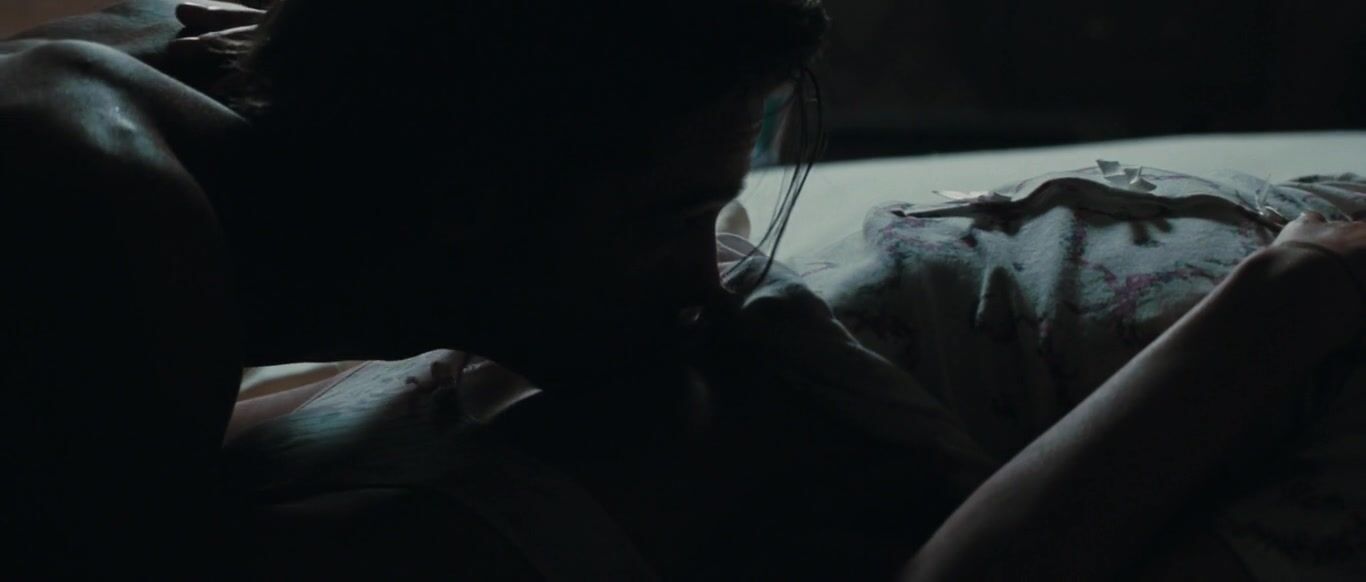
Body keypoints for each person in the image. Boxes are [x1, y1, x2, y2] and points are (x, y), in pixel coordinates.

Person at [2, 1, 1364, 580]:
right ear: (468, 197)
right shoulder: (104, 244)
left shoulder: (234, 88)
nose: (705, 281)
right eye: (661, 220)